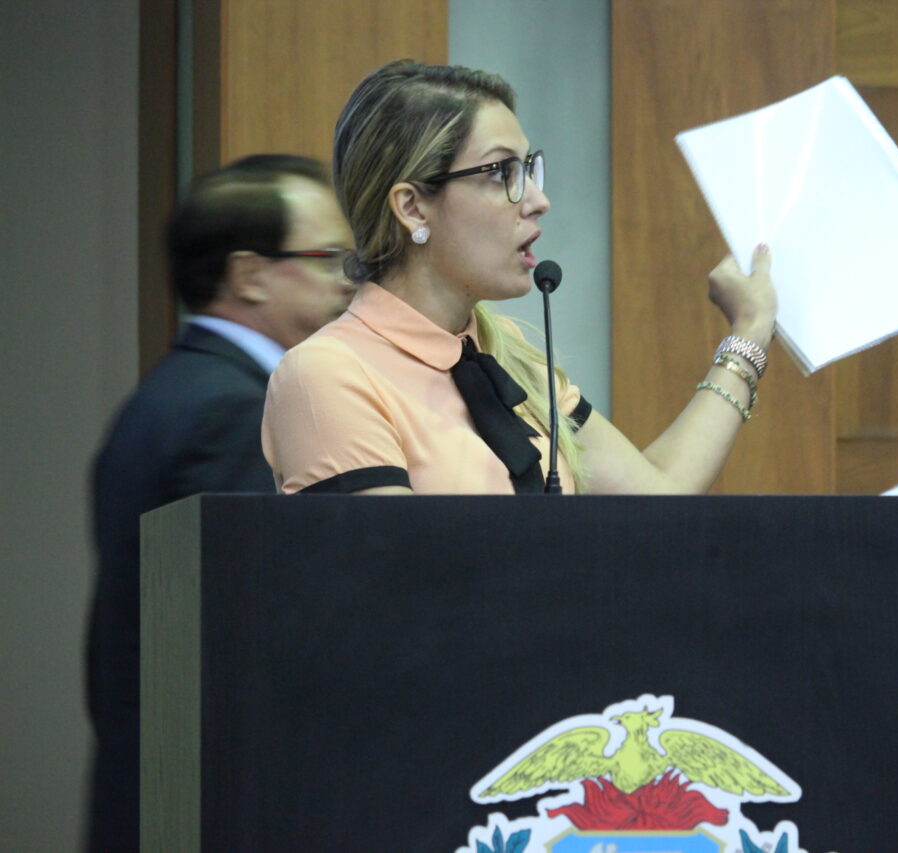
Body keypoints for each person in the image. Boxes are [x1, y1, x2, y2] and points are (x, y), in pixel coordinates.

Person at [262, 61, 776, 496]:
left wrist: (748, 332)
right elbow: (401, 576)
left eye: (527, 169)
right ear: (413, 207)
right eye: (500, 173)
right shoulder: (327, 374)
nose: (537, 200)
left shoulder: (503, 351)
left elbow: (658, 493)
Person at [86, 154, 354, 851]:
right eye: (327, 257)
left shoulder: (171, 393)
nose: (347, 280)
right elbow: (249, 640)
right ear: (249, 274)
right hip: (213, 803)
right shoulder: (233, 411)